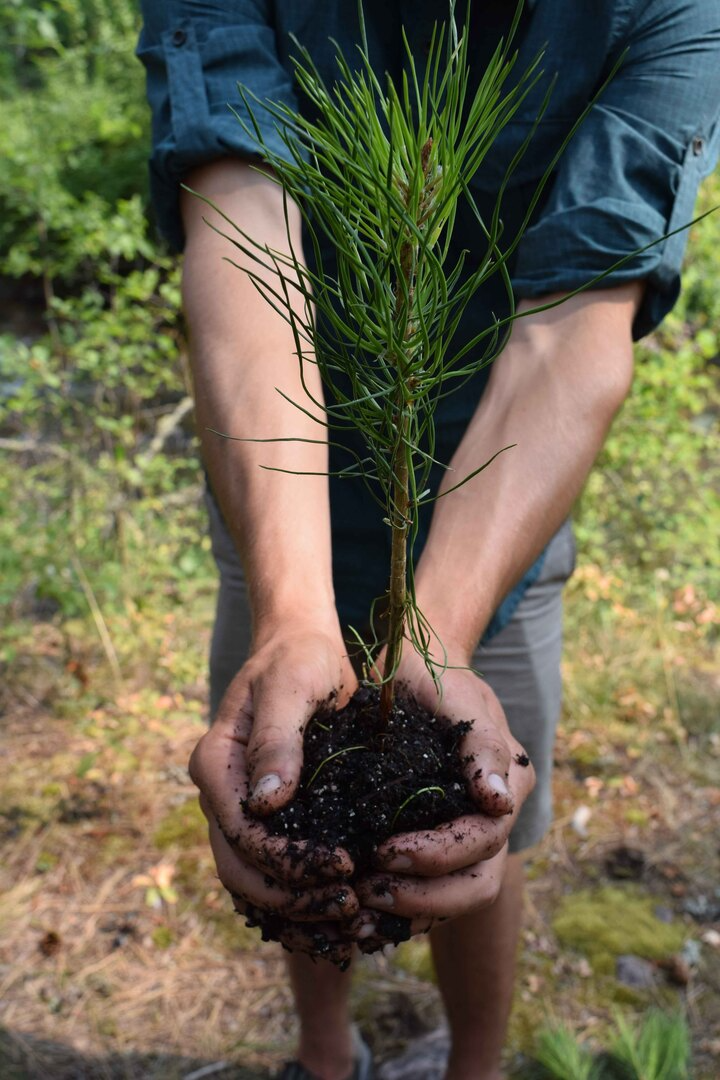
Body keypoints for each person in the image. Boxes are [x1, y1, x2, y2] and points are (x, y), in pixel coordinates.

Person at [137, 3, 720, 1078]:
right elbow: (242, 219)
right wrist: (293, 609)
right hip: (274, 459)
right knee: (291, 784)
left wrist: (438, 629)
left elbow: (580, 307)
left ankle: (476, 1067)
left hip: (506, 478)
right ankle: (325, 1057)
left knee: (484, 816)